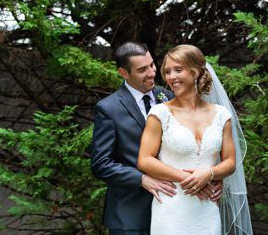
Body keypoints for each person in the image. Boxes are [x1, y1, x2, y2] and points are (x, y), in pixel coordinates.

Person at [90, 42, 222, 234]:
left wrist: (213, 178)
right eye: (142, 69)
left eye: (152, 65)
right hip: (131, 215)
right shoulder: (109, 108)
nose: (152, 73)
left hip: (176, 208)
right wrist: (142, 179)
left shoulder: (170, 96)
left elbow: (198, 143)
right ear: (124, 73)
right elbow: (101, 164)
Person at [137, 44, 253, 235]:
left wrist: (208, 175)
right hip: (171, 207)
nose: (171, 77)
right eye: (167, 71)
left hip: (207, 210)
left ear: (196, 71)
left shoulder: (221, 114)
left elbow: (231, 162)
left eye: (178, 70)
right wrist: (189, 179)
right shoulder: (160, 113)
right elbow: (145, 160)